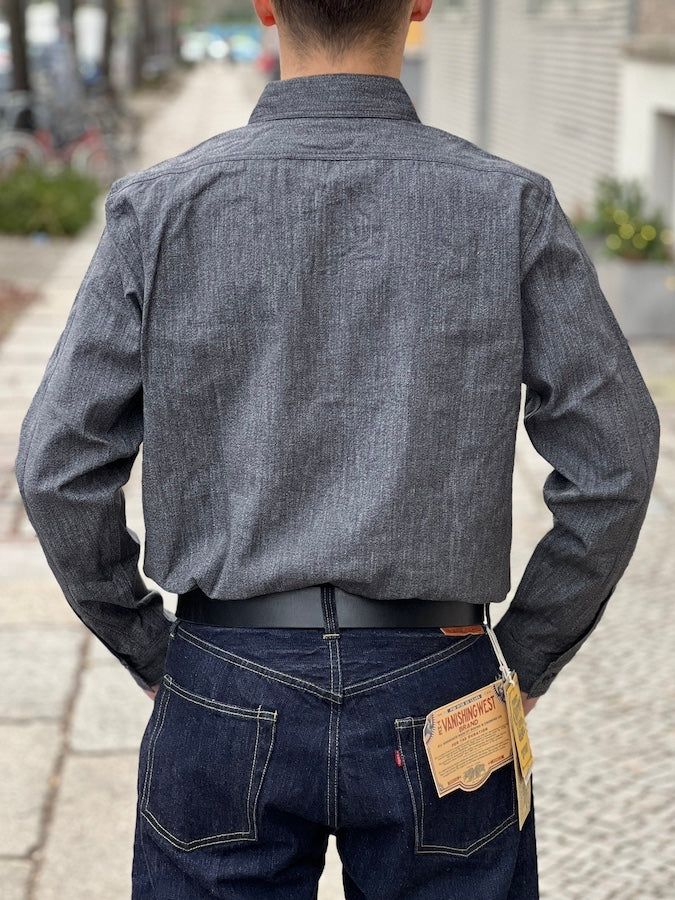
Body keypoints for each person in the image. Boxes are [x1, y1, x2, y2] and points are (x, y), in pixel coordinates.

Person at [14, 1, 660, 897]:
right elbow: (615, 457)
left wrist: (150, 649)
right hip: (441, 676)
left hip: (223, 672)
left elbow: (57, 465)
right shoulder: (508, 204)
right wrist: (525, 651)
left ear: (265, 7)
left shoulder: (157, 208)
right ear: (420, 5)